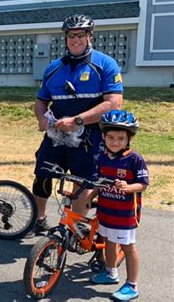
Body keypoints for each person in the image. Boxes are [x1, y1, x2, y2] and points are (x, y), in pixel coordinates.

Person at [31, 14, 124, 235]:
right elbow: (41, 101)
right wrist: (42, 118)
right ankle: (40, 219)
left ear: (90, 36)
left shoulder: (105, 64)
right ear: (65, 38)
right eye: (71, 35)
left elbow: (114, 103)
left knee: (81, 182)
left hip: (89, 135)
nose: (75, 39)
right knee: (43, 174)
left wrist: (78, 120)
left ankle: (76, 226)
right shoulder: (54, 67)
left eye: (80, 35)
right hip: (56, 134)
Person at [90, 110, 149, 301]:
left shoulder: (134, 159)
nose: (115, 142)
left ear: (129, 139)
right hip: (106, 211)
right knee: (108, 242)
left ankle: (132, 285)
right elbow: (101, 181)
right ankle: (110, 273)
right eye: (111, 137)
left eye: (121, 138)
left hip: (125, 215)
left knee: (128, 247)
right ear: (104, 137)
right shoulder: (102, 157)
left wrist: (128, 187)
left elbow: (143, 184)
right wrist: (90, 196)